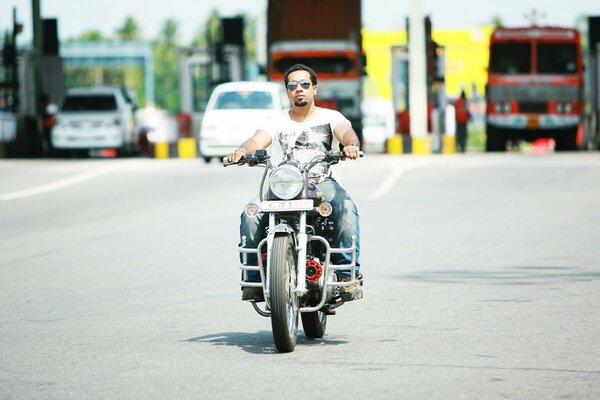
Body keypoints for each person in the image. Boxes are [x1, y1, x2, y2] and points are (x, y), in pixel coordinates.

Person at [227, 63, 363, 303]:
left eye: (304, 84)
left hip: (323, 183)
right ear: (287, 91)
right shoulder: (276, 120)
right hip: (284, 185)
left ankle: (346, 275)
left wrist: (350, 145)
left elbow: (346, 132)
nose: (298, 89)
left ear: (314, 89)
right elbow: (257, 140)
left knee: (345, 208)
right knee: (250, 213)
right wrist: (242, 150)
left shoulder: (332, 117)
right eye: (292, 85)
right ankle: (254, 279)